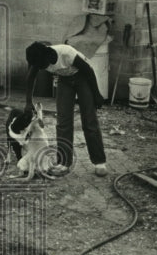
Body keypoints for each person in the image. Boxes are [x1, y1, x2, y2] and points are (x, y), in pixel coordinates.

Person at [24, 41, 108, 177]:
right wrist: (28, 102)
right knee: (63, 122)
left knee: (89, 120)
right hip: (64, 80)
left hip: (83, 77)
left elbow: (89, 71)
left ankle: (99, 162)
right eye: (38, 66)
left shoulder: (66, 53)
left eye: (42, 65)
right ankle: (64, 163)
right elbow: (30, 78)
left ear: (48, 55)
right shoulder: (38, 59)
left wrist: (97, 95)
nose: (41, 68)